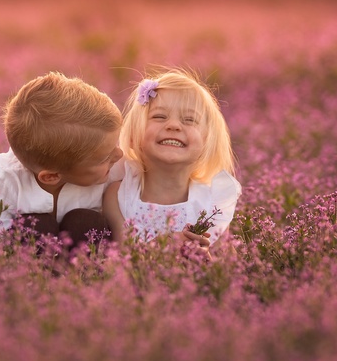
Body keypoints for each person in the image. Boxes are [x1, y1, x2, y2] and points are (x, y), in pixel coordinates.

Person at [0, 71, 124, 249]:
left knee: (86, 221)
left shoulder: (111, 168)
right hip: (25, 262)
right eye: (105, 157)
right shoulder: (3, 179)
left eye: (115, 145)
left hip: (80, 255)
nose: (119, 155)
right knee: (37, 225)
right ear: (51, 176)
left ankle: (80, 273)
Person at [102, 68, 241, 260]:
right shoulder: (120, 195)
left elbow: (230, 268)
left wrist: (207, 262)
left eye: (189, 120)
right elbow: (123, 257)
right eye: (159, 117)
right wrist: (167, 245)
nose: (174, 125)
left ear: (207, 142)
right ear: (134, 135)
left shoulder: (211, 201)